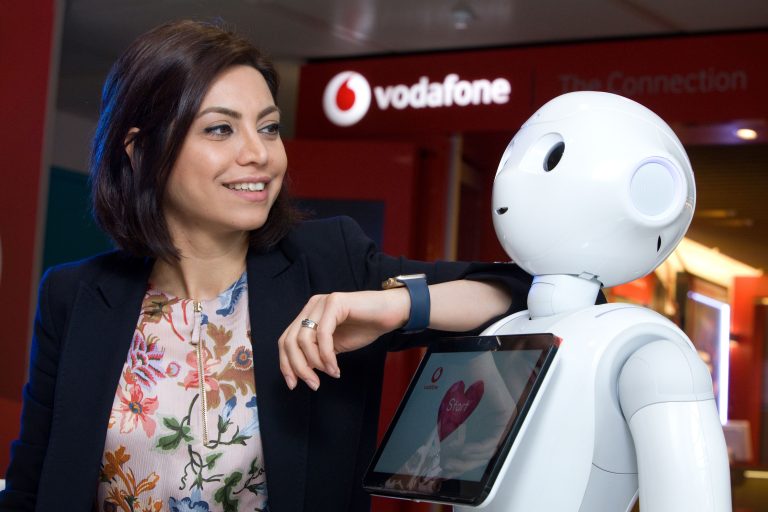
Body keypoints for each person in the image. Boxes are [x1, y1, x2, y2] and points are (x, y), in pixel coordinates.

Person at [0, 20, 532, 512]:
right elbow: (31, 484)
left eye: (270, 127)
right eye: (220, 130)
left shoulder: (328, 265)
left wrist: (394, 304)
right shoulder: (76, 296)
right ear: (141, 151)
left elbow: (517, 291)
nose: (260, 154)